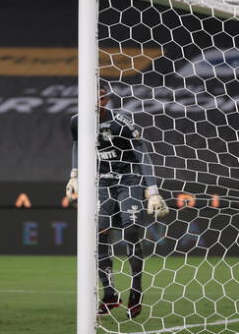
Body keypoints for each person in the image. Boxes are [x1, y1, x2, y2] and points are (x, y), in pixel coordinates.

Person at [66, 84, 169, 319]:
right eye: (90, 98)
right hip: (101, 183)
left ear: (105, 100)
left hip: (129, 180)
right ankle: (110, 293)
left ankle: (136, 290)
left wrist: (152, 190)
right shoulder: (77, 121)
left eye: (99, 98)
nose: (95, 102)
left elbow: (141, 151)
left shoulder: (121, 121)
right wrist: (74, 175)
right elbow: (77, 145)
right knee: (98, 234)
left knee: (131, 232)